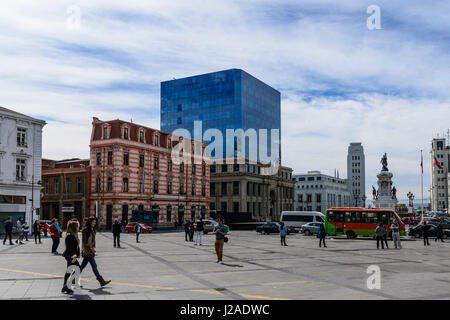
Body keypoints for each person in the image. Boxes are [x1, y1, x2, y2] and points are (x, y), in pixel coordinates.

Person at [80, 217, 111, 287]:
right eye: (93, 222)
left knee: (84, 266)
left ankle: (101, 281)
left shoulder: (93, 229)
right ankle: (101, 281)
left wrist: (92, 248)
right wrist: (91, 248)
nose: (94, 223)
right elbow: (85, 242)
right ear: (90, 222)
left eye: (95, 222)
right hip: (87, 251)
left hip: (90, 251)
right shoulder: (85, 230)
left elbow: (92, 240)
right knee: (92, 266)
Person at [61, 222, 81, 294]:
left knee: (69, 271)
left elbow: (75, 247)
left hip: (71, 256)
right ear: (74, 227)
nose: (78, 227)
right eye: (77, 226)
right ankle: (66, 286)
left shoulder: (73, 235)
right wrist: (74, 256)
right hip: (71, 256)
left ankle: (65, 286)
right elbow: (70, 248)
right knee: (77, 269)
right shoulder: (70, 236)